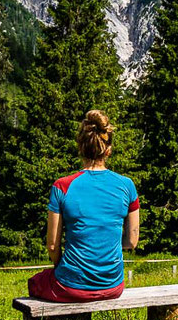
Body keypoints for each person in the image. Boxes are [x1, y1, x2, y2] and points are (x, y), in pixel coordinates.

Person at [27, 109, 140, 302]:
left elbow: (53, 245)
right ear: (108, 150)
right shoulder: (127, 186)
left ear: (80, 147)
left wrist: (59, 265)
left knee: (36, 282)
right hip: (113, 286)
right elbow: (132, 241)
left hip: (71, 286)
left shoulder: (61, 186)